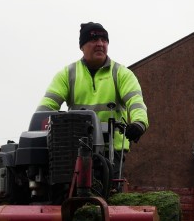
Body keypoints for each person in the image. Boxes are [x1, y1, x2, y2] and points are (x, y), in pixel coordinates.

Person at [37, 22, 149, 152]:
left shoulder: (121, 73)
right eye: (94, 39)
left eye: (104, 40)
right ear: (82, 46)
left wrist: (139, 123)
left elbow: (135, 101)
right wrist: (37, 128)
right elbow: (48, 104)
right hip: (77, 148)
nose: (100, 44)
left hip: (111, 151)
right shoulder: (68, 74)